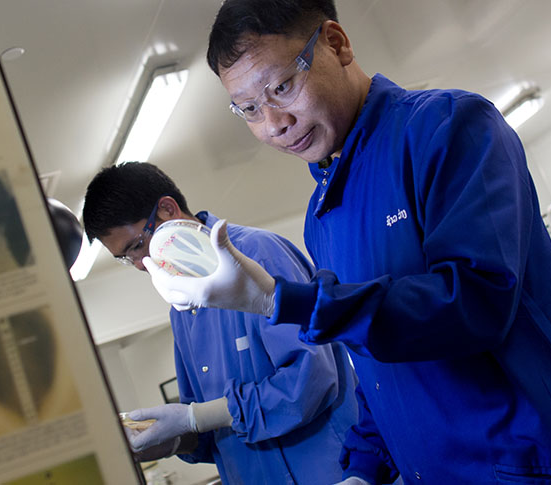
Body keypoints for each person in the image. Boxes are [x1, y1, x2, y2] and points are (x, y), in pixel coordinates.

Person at [143, 0, 551, 485]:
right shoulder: (321, 216)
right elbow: (377, 371)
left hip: (544, 465)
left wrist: (281, 299)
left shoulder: (449, 129)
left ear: (337, 44)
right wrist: (364, 469)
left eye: (282, 86)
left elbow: (474, 302)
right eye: (249, 108)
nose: (274, 122)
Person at [83, 161, 368, 485]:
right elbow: (215, 433)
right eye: (126, 258)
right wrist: (172, 439)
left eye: (136, 246)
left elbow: (312, 382)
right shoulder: (182, 309)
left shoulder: (257, 254)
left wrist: (196, 417)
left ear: (167, 208)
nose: (138, 265)